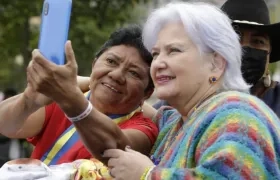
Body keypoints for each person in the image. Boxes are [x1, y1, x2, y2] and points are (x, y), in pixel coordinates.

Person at [102, 2, 280, 179]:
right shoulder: (178, 120)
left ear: (216, 63)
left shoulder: (239, 117)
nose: (158, 63)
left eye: (173, 50)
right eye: (156, 53)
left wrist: (148, 175)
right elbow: (137, 123)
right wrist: (90, 86)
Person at [0, 25, 158, 166]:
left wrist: (71, 99)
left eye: (133, 73)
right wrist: (30, 98)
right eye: (111, 61)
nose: (117, 75)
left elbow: (113, 149)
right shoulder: (62, 99)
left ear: (148, 93)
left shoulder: (144, 129)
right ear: (94, 63)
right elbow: (6, 126)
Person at [153, 0, 280, 118]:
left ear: (269, 53)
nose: (243, 49)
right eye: (235, 38)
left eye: (258, 41)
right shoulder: (180, 102)